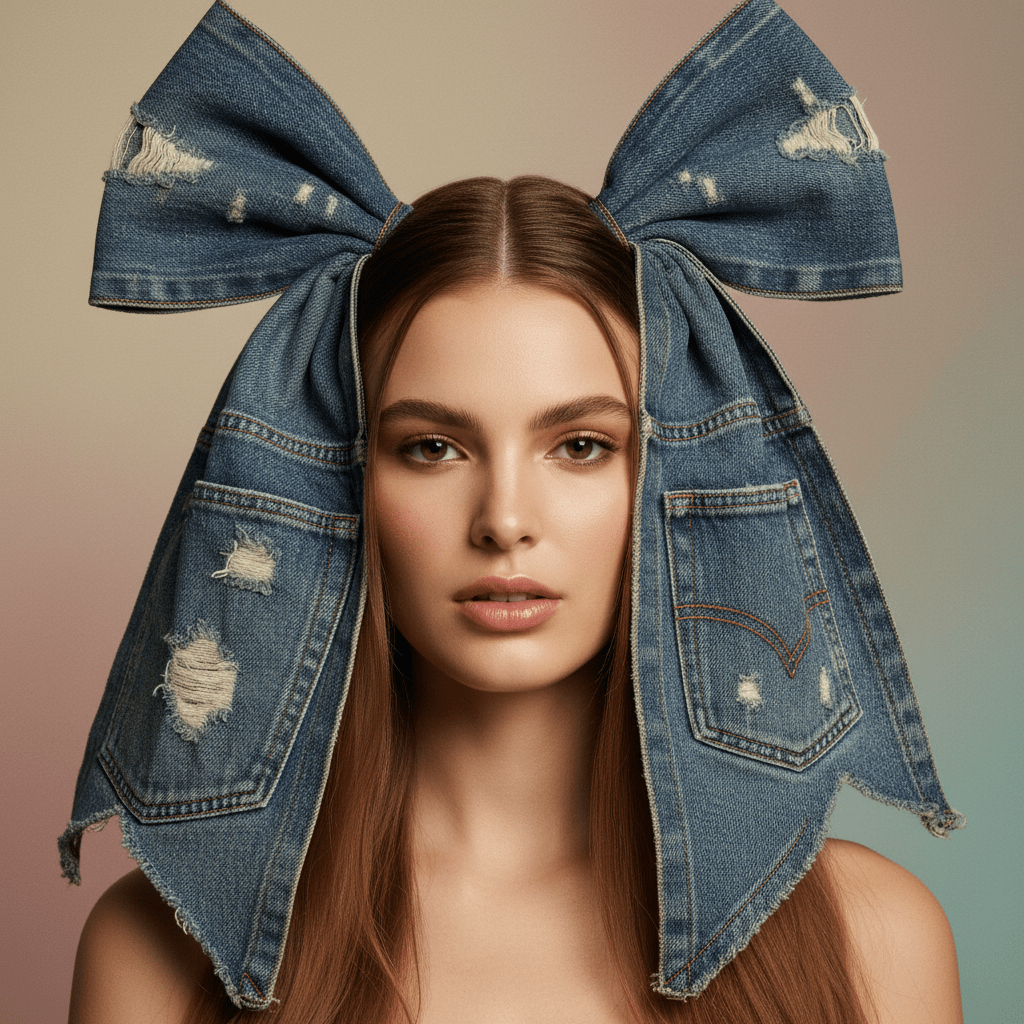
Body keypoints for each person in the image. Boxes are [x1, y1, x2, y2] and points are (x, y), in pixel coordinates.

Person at [62, 4, 964, 1023]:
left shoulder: (874, 940)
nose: (503, 518)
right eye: (431, 447)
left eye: (580, 446)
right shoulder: (159, 948)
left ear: (671, 484)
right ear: (339, 485)